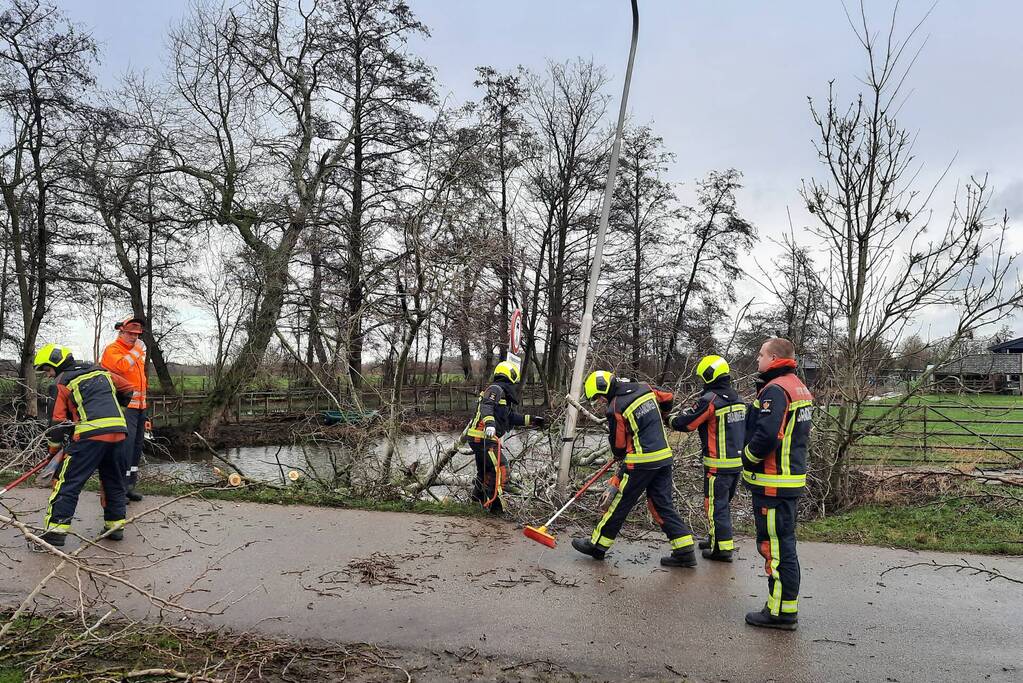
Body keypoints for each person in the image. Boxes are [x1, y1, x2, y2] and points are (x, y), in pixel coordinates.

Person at [571, 370, 697, 567]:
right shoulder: (644, 387)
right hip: (663, 457)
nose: (601, 401)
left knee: (619, 503)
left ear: (604, 390)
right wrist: (663, 416)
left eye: (599, 397)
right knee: (661, 504)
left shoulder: (615, 407)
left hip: (640, 462)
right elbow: (668, 397)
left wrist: (619, 454)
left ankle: (597, 545)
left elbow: (619, 446)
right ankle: (685, 551)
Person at [742, 338, 813, 631]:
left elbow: (768, 435)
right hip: (787, 479)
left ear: (773, 358)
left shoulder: (776, 389)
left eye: (761, 354)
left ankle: (781, 613)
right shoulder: (797, 386)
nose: (757, 359)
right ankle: (783, 607)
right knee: (783, 545)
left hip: (773, 481)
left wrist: (747, 459)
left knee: (776, 549)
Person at [33, 344, 134, 547]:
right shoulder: (100, 371)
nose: (48, 375)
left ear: (56, 363)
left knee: (68, 483)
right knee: (114, 481)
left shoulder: (62, 382)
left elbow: (57, 423)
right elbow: (128, 389)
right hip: (119, 433)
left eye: (47, 369)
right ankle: (115, 528)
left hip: (89, 436)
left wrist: (53, 451)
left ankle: (55, 532)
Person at [669, 354, 746, 562]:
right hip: (736, 464)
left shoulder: (710, 400)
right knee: (723, 504)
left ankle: (721, 549)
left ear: (709, 375)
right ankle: (715, 539)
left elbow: (687, 424)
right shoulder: (738, 399)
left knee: (715, 506)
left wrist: (670, 419)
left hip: (717, 465)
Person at [464, 361, 545, 514]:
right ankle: (497, 508)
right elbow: (487, 405)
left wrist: (532, 420)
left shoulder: (503, 395)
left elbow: (510, 417)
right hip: (484, 438)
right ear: (511, 376)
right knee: (501, 468)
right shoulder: (495, 389)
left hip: (481, 439)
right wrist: (490, 424)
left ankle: (477, 503)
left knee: (485, 472)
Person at [100, 317, 148, 502]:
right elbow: (120, 366)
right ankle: (117, 489)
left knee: (136, 447)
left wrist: (145, 411)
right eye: (130, 334)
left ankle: (129, 485)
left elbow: (141, 382)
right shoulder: (112, 350)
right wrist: (136, 351)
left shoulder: (136, 354)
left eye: (137, 334)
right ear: (121, 332)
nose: (134, 337)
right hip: (122, 407)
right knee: (123, 448)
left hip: (139, 408)